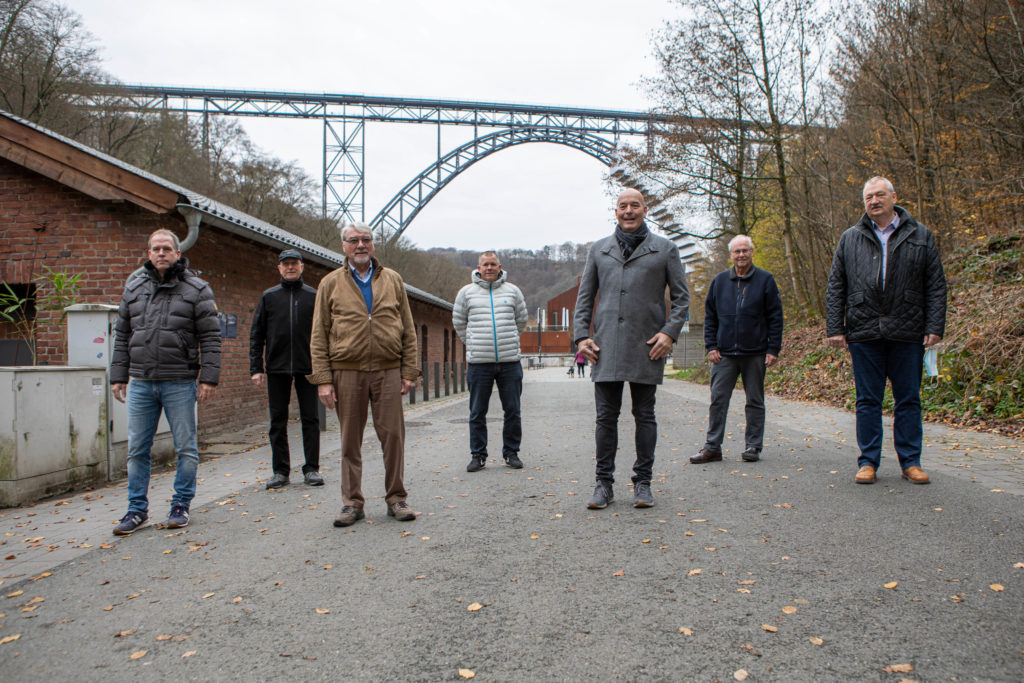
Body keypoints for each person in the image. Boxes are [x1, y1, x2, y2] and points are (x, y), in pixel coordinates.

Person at [826, 176, 946, 485]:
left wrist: (934, 326)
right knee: (868, 400)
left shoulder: (921, 235)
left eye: (880, 195)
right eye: (869, 197)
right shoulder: (849, 238)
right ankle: (868, 462)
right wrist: (834, 327)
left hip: (908, 330)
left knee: (908, 398)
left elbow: (935, 285)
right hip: (864, 330)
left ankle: (911, 462)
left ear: (894, 197)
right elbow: (836, 285)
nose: (874, 201)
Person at [573, 188, 689, 509]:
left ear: (644, 209)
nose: (628, 211)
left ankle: (643, 483)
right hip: (604, 345)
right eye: (622, 206)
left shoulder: (665, 250)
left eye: (634, 205)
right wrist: (582, 337)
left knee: (645, 415)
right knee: (605, 418)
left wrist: (669, 333)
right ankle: (603, 484)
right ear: (615, 211)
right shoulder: (599, 250)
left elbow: (681, 299)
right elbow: (584, 299)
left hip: (648, 345)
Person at [308, 222, 420, 527]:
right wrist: (323, 380)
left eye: (366, 240)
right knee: (349, 441)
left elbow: (408, 329)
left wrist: (409, 371)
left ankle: (396, 498)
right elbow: (319, 335)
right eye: (354, 240)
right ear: (343, 245)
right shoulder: (330, 283)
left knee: (393, 437)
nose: (360, 245)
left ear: (374, 245)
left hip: (388, 370)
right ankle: (352, 503)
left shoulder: (393, 280)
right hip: (347, 372)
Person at [110, 229, 221, 535]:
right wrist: (118, 375)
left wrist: (208, 378)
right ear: (148, 254)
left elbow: (211, 338)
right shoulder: (134, 288)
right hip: (142, 382)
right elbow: (122, 335)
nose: (161, 253)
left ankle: (180, 504)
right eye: (156, 249)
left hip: (179, 381)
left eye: (166, 249)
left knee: (185, 447)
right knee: (137, 449)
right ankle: (136, 510)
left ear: (177, 253)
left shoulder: (196, 289)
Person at [691, 235, 783, 465]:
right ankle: (712, 447)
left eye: (745, 250)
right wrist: (711, 346)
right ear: (730, 255)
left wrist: (773, 349)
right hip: (724, 355)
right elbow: (710, 317)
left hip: (755, 352)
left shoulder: (765, 280)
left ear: (752, 252)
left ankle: (753, 446)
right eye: (737, 251)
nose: (741, 255)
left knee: (755, 400)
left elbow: (775, 317)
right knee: (718, 400)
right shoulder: (719, 281)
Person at [250, 249, 323, 489]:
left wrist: (324, 367)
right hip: (277, 367)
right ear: (279, 268)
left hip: (308, 366)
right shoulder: (269, 296)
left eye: (295, 264)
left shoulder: (314, 296)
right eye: (286, 264)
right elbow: (257, 334)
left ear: (302, 267)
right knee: (277, 421)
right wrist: (256, 367)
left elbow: (325, 333)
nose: (290, 267)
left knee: (310, 418)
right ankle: (280, 471)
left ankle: (311, 469)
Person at [452, 251, 529, 472]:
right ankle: (478, 455)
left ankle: (511, 453)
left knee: (512, 410)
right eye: (485, 264)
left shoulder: (513, 291)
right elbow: (459, 322)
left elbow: (521, 319)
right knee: (477, 411)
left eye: (493, 264)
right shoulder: (466, 293)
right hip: (479, 363)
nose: (489, 268)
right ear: (478, 267)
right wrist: (474, 343)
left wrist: (510, 340)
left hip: (509, 362)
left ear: (499, 266)